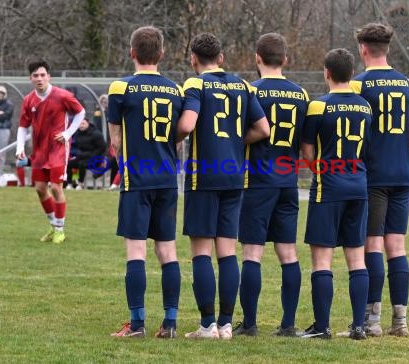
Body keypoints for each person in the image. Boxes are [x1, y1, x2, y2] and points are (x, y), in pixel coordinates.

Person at [177, 32, 270, 339]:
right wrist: (235, 141)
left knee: (201, 251)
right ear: (221, 58)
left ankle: (206, 326)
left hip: (204, 176)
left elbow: (188, 125)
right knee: (228, 252)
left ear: (193, 59)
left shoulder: (195, 84)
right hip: (234, 176)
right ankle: (227, 324)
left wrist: (172, 138)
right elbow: (263, 129)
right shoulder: (243, 85)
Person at [107, 26, 184, 339]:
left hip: (136, 178)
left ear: (132, 53)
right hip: (167, 178)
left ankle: (137, 324)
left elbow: (115, 139)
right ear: (162, 54)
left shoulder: (120, 89)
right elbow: (178, 138)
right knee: (168, 251)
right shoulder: (176, 90)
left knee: (136, 251)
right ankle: (170, 323)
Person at [232, 33, 308, 337]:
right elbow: (304, 143)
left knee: (252, 252)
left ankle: (249, 324)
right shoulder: (301, 94)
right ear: (285, 60)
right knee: (288, 253)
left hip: (258, 181)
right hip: (288, 181)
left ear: (257, 58)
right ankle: (288, 324)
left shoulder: (250, 91)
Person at [349, 23, 409, 337]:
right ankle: (400, 321)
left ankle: (371, 321)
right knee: (397, 246)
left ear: (363, 49)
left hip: (373, 175)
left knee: (373, 245)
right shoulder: (407, 84)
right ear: (386, 48)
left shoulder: (359, 85)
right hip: (402, 174)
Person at [298, 48, 372, 340]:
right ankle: (358, 326)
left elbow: (306, 148)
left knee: (322, 260)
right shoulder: (365, 106)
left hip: (328, 186)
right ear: (352, 74)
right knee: (356, 258)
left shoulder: (318, 106)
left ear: (326, 72)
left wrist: (318, 170)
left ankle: (322, 327)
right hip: (358, 185)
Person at [15, 60, 85, 244]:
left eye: (42, 75)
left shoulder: (62, 95)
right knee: (39, 189)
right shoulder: (29, 99)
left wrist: (68, 133)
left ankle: (60, 230)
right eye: (35, 76)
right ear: (30, 78)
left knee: (55, 187)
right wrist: (20, 148)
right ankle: (53, 226)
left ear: (49, 76)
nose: (39, 78)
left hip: (58, 149)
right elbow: (23, 126)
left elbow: (81, 112)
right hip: (39, 151)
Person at [65, 118, 106, 189]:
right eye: (80, 124)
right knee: (70, 163)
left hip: (95, 158)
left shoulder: (96, 134)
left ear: (88, 124)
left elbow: (102, 148)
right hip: (82, 156)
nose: (81, 126)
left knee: (81, 164)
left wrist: (92, 155)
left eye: (83, 123)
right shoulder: (77, 134)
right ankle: (70, 183)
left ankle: (81, 183)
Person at [0, 85, 14, 175]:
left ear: (4, 95)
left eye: (1, 94)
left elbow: (6, 115)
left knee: (1, 152)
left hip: (4, 129)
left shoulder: (9, 105)